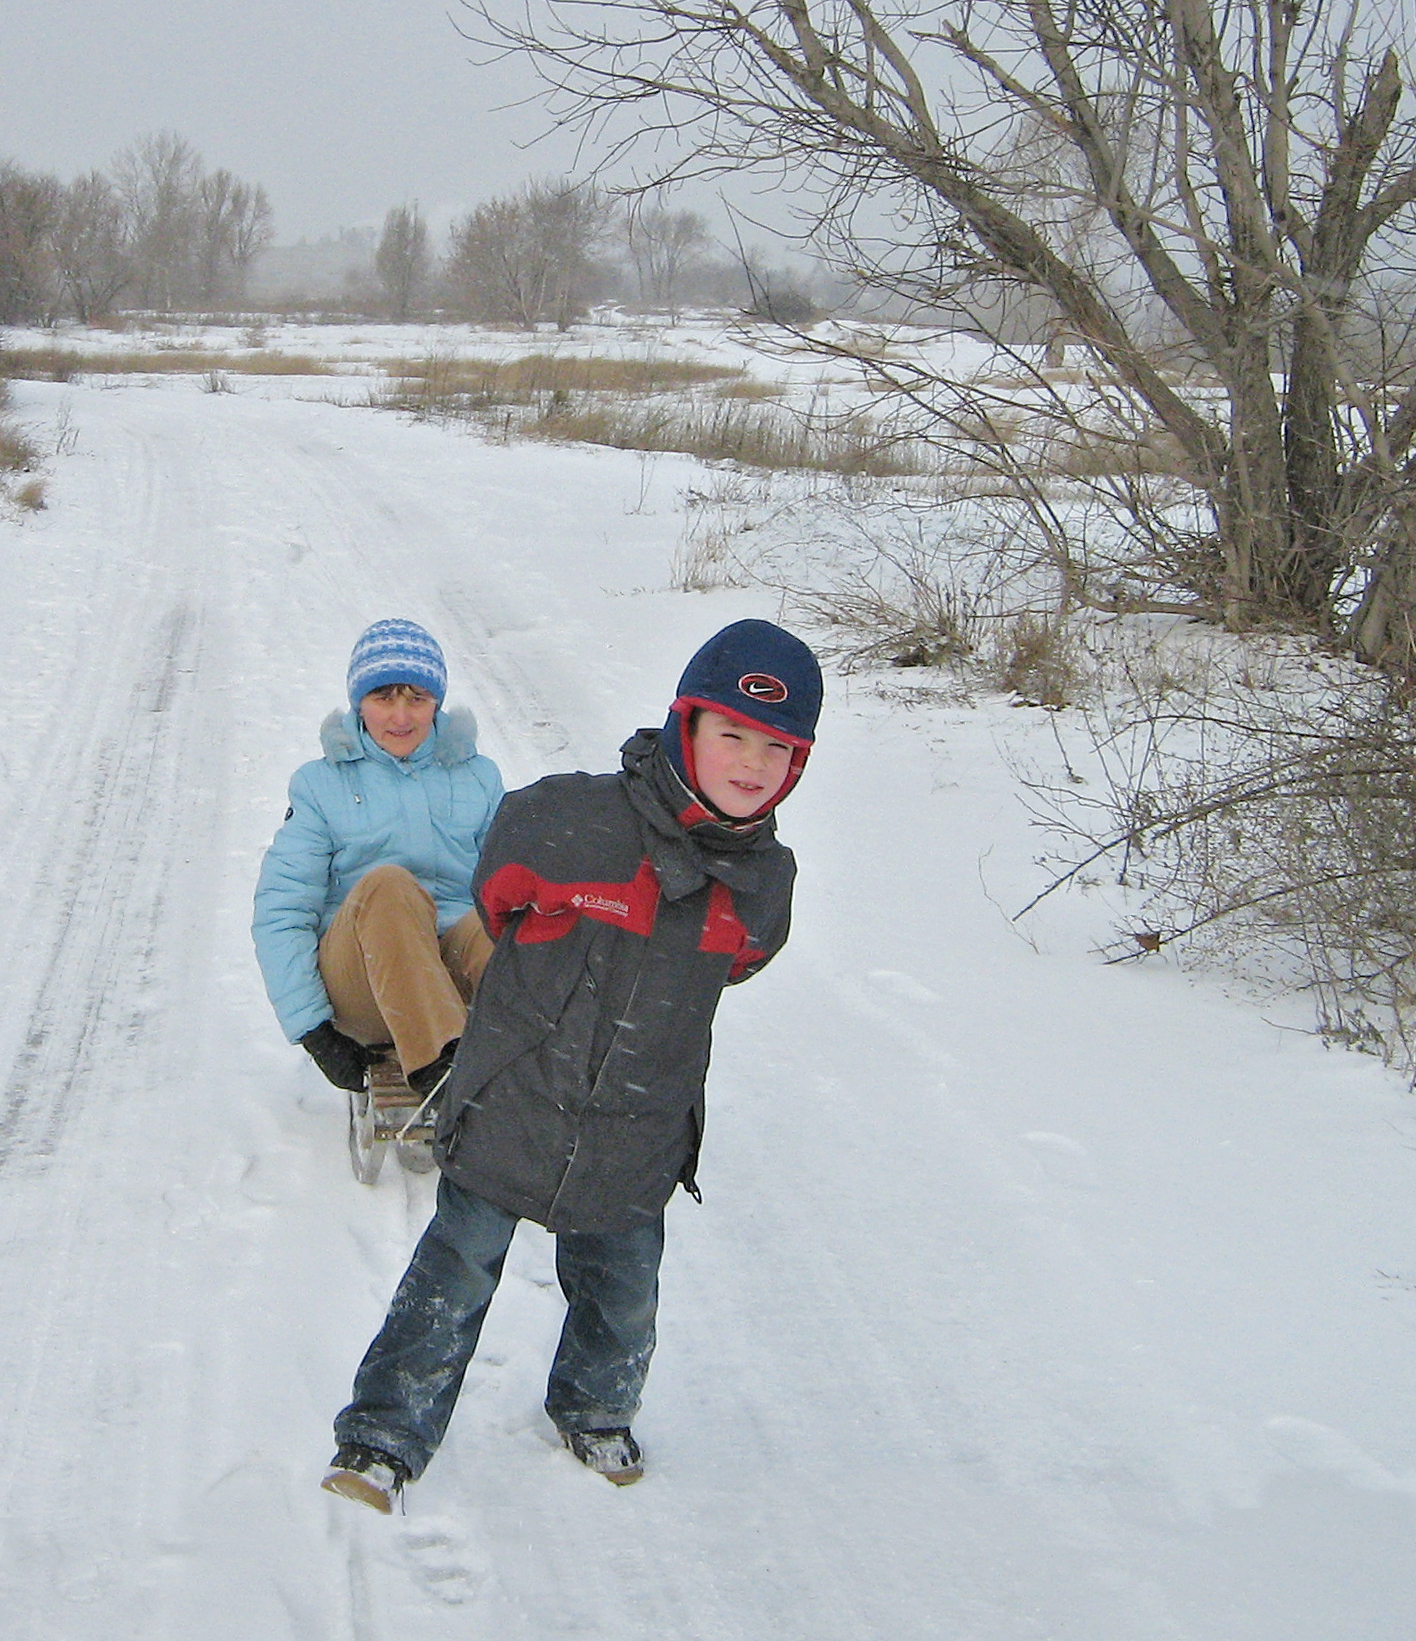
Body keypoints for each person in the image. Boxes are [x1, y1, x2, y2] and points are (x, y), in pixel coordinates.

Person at [321, 617, 823, 1509]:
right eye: (732, 733)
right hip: (517, 1100)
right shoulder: (566, 820)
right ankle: (382, 1435)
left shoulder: (763, 885)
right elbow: (498, 898)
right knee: (452, 1275)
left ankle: (594, 1408)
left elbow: (746, 956)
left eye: (777, 747)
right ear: (686, 723)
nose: (752, 762)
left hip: (639, 1127)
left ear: (799, 762)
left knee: (623, 1295)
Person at [253, 618, 505, 1101]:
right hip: (364, 983)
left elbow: (514, 887)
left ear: (437, 702)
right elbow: (282, 908)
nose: (401, 717)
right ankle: (443, 1069)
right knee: (387, 884)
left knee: (496, 920)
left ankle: (545, 1062)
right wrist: (312, 1028)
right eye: (383, 698)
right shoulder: (321, 785)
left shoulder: (477, 777)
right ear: (359, 703)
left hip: (454, 974)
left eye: (417, 699)